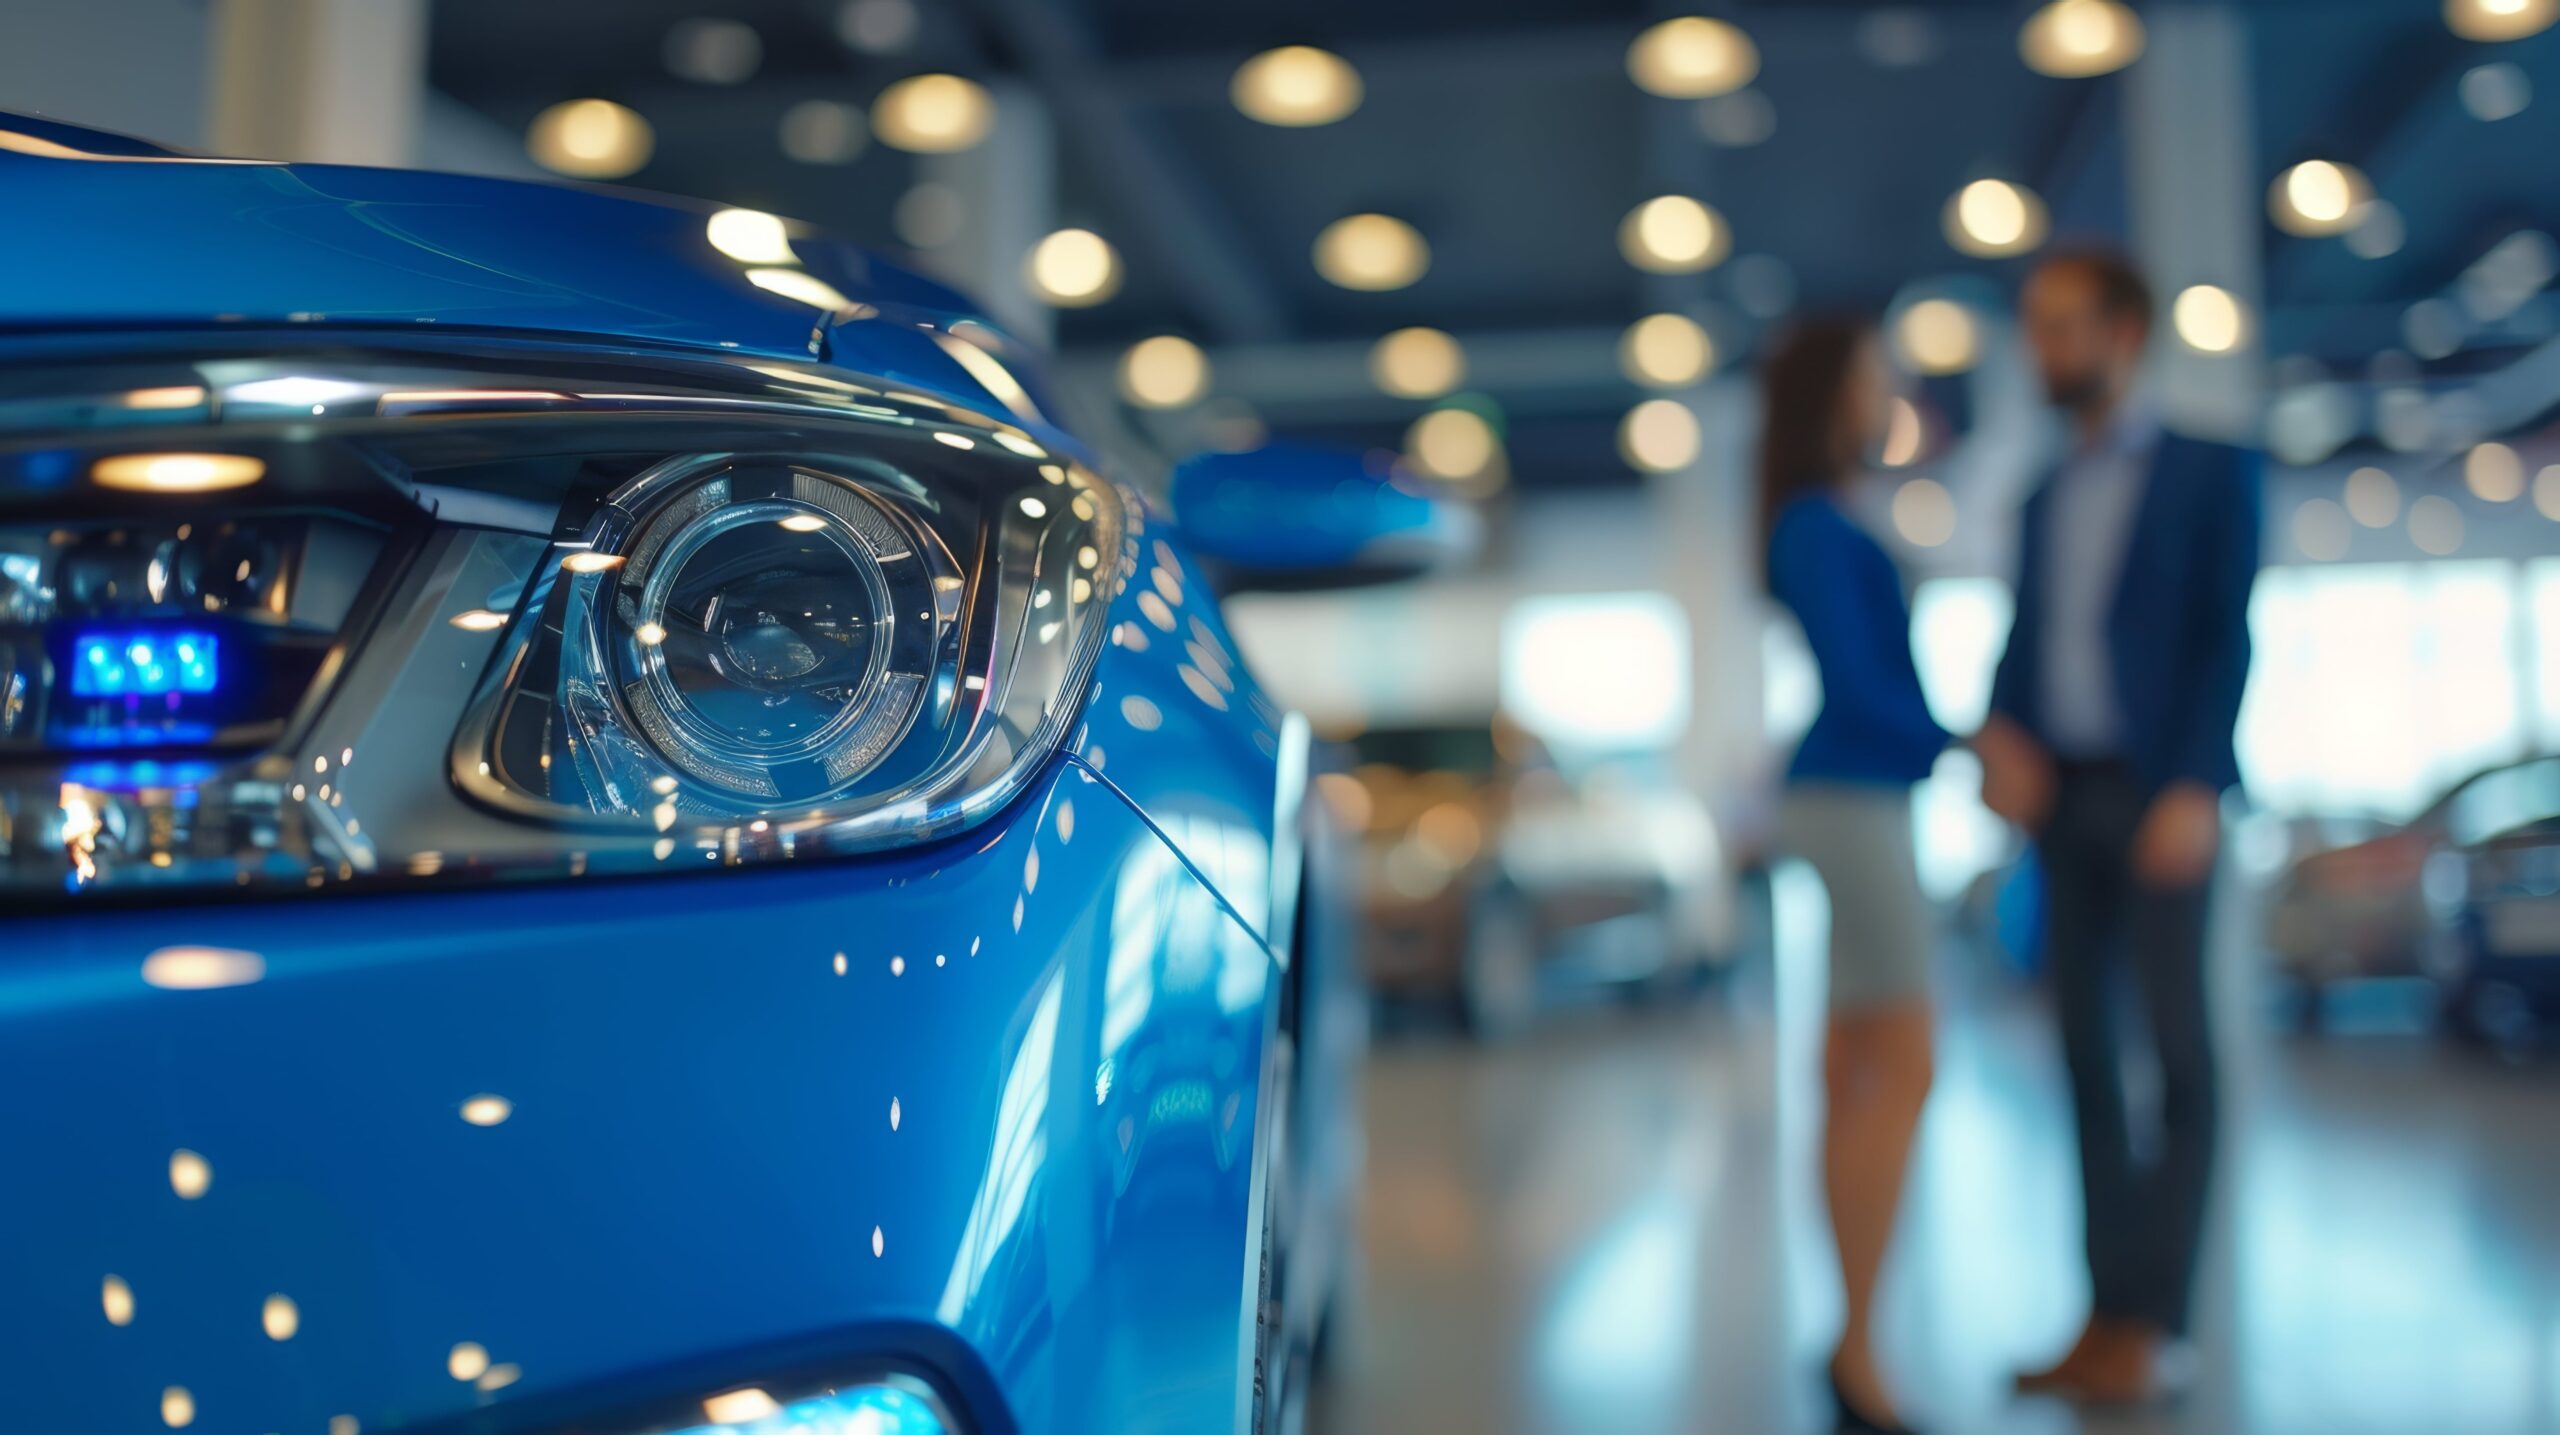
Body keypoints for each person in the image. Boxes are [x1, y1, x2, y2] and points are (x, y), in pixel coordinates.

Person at [1976, 247, 2263, 1404]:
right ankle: (2101, 1317)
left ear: (2123, 331)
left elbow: (2224, 635)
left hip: (2162, 797)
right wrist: (1994, 729)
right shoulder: (2041, 495)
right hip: (2063, 796)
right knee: (2084, 1060)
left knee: (2179, 1059)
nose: (2043, 349)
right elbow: (2025, 641)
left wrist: (2196, 780)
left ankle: (2158, 1323)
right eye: (2033, 328)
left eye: (2061, 326)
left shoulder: (2207, 469)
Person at [1761, 317, 1949, 1435]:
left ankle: (1851, 1338)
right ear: (1836, 391)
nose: (1890, 396)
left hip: (1847, 799)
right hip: (1856, 804)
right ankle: (1858, 1345)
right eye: (1878, 377)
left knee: (1851, 1070)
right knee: (1902, 1062)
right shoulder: (1817, 525)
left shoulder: (1815, 518)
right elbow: (1861, 686)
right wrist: (1963, 744)